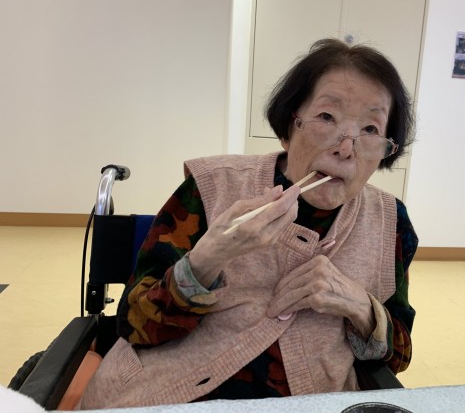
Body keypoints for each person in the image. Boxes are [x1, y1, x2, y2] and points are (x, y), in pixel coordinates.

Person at [79, 38, 418, 409]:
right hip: (168, 395)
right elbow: (133, 324)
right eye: (326, 117)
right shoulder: (212, 187)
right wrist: (207, 260)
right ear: (290, 125)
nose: (346, 149)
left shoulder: (390, 223)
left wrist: (360, 306)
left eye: (370, 129)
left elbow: (398, 356)